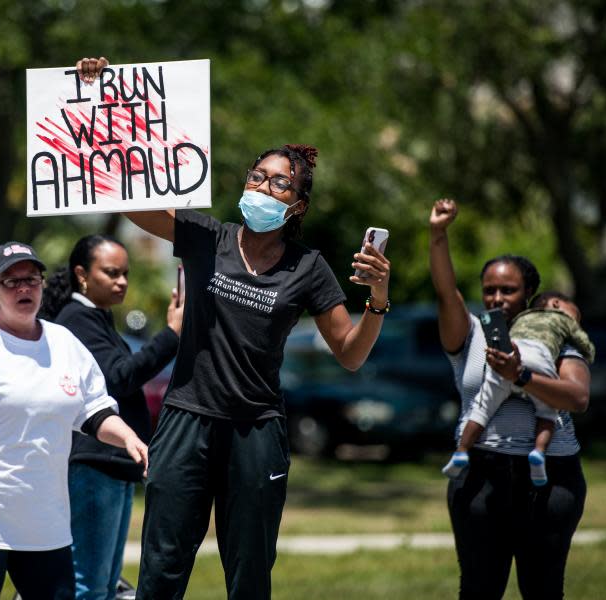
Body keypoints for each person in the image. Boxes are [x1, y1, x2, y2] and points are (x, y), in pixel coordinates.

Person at [82, 51, 393, 600]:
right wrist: (103, 97)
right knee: (161, 568)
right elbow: (126, 198)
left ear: (297, 205)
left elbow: (349, 352)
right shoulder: (207, 237)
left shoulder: (309, 267)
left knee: (249, 573)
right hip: (185, 421)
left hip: (256, 430)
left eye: (279, 184)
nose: (263, 187)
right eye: (258, 176)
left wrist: (377, 300)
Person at [0, 241, 150, 600]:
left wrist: (129, 439)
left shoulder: (64, 342)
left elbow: (94, 411)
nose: (24, 288)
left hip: (45, 523)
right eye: (11, 281)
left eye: (32, 279)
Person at [429, 198, 591, 599]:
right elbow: (446, 291)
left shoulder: (553, 334)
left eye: (508, 289)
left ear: (529, 292)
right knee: (479, 589)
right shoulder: (468, 333)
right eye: (489, 290)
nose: (497, 298)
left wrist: (519, 375)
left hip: (551, 481)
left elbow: (577, 396)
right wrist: (438, 234)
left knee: (542, 589)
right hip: (481, 478)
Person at [39, 234, 183, 600]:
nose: (122, 281)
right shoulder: (77, 318)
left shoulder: (97, 318)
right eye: (111, 273)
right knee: (89, 583)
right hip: (94, 463)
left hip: (113, 464)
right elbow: (118, 377)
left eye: (125, 274)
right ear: (82, 275)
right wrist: (171, 335)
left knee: (105, 584)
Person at [443, 291, 596, 486]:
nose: (575, 320)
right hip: (539, 360)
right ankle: (539, 453)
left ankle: (461, 452)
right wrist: (588, 353)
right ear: (556, 304)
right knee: (548, 412)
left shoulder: (520, 318)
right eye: (576, 315)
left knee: (480, 410)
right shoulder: (563, 319)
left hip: (512, 356)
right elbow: (581, 339)